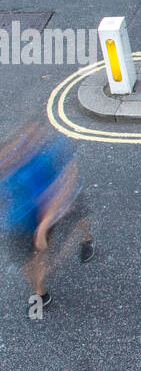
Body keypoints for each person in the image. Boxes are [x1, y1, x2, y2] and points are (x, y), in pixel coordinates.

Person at [0, 120, 93, 314]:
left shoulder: (50, 154)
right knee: (28, 261)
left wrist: (43, 225)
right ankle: (41, 294)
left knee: (79, 217)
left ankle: (87, 240)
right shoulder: (13, 160)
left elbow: (67, 181)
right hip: (24, 221)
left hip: (57, 208)